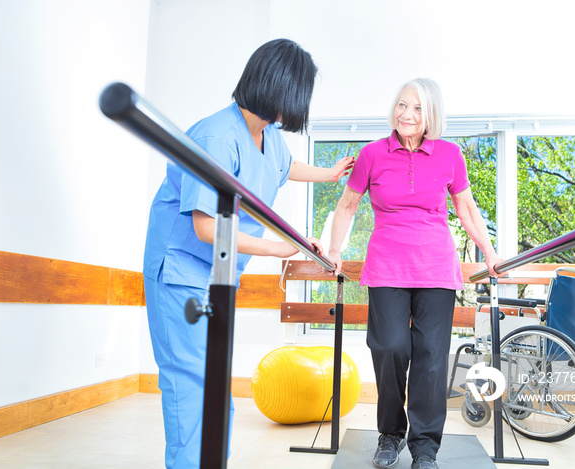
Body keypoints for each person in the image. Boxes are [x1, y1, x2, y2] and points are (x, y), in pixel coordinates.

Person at [142, 38, 354, 469]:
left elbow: (285, 166)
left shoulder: (266, 134)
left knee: (216, 382)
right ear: (278, 89)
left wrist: (328, 175)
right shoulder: (218, 136)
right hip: (181, 271)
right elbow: (206, 227)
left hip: (218, 276)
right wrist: (281, 247)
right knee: (192, 383)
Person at [326, 78, 503, 469]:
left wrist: (490, 253)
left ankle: (424, 447)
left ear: (431, 115)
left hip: (436, 269)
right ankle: (390, 433)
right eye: (402, 105)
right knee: (389, 346)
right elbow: (347, 205)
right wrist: (335, 250)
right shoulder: (372, 154)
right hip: (387, 266)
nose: (407, 114)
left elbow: (467, 209)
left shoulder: (450, 155)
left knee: (431, 356)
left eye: (417, 108)